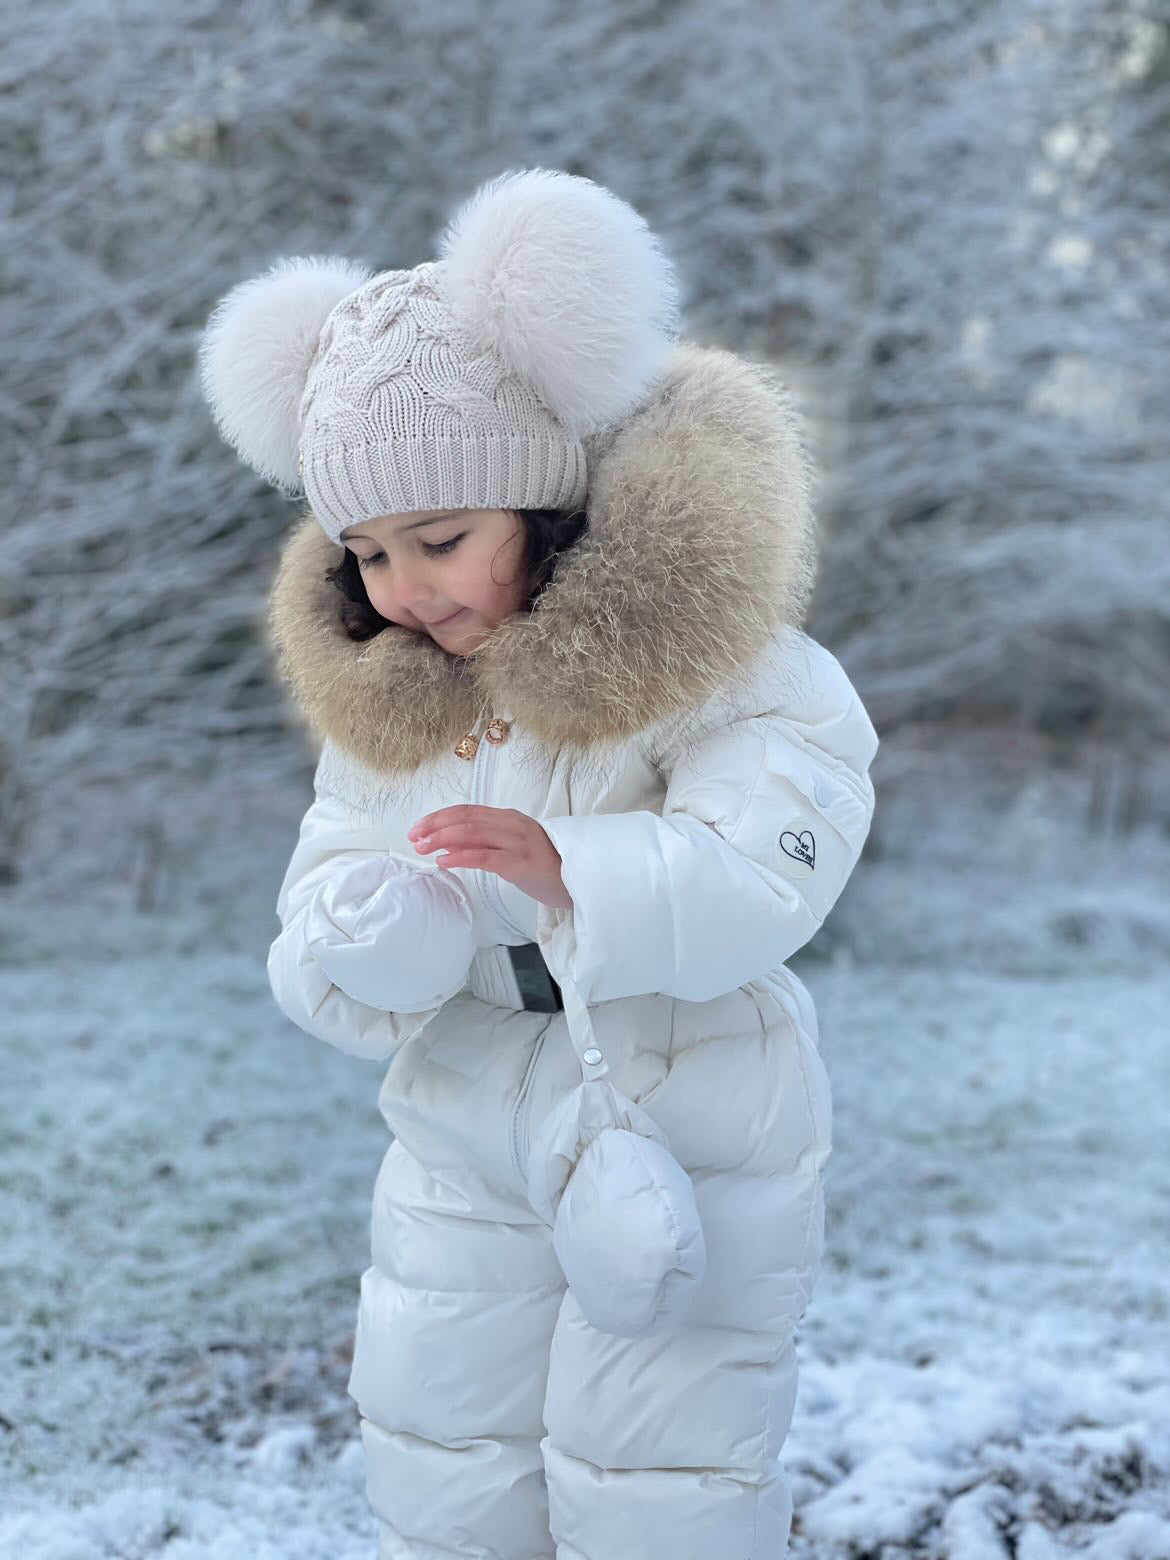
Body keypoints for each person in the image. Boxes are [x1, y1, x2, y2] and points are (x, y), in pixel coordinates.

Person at [199, 166, 879, 1560]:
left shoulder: (734, 671)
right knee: (444, 1438)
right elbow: (322, 899)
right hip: (461, 1113)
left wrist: (575, 869)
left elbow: (770, 865)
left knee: (659, 1463)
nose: (404, 591)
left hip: (684, 1101)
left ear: (546, 504)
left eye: (442, 540)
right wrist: (375, 936)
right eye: (368, 554)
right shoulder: (397, 705)